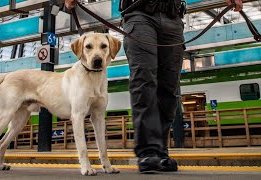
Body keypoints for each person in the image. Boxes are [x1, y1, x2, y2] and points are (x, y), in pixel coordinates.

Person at [64, 0, 243, 173]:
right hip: (139, 14)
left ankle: (160, 151)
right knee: (144, 80)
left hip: (173, 15)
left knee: (169, 87)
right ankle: (148, 151)